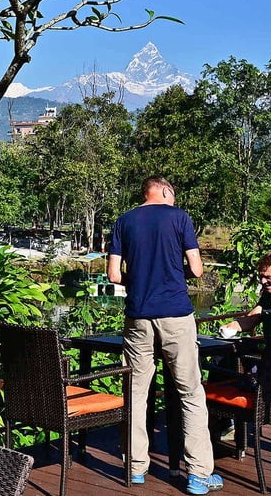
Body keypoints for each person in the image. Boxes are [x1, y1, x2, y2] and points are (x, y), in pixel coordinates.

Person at [107, 176, 223, 495]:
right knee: (190, 392)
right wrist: (172, 273)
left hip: (138, 317)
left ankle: (135, 467)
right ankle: (198, 475)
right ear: (165, 191)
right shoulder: (179, 217)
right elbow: (196, 269)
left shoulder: (124, 221)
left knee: (135, 392)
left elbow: (114, 274)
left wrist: (139, 278)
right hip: (175, 314)